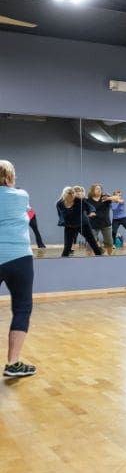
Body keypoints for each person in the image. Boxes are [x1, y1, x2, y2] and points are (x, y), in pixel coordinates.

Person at [0, 160, 37, 377]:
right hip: (19, 258)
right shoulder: (22, 196)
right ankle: (13, 364)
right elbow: (29, 214)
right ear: (10, 177)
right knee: (22, 308)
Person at [56, 186, 102, 257]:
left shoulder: (79, 201)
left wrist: (91, 212)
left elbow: (89, 206)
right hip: (69, 225)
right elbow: (61, 215)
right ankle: (63, 259)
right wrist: (63, 221)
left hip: (83, 224)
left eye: (73, 194)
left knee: (92, 242)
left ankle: (100, 256)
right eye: (69, 195)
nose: (72, 196)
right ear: (64, 195)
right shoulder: (59, 204)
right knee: (67, 246)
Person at [88, 184, 119, 255]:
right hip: (93, 225)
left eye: (100, 189)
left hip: (106, 224)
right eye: (97, 189)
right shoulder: (88, 200)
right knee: (90, 244)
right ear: (93, 190)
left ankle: (109, 257)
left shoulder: (105, 197)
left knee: (109, 243)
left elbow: (117, 199)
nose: (99, 190)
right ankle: (89, 260)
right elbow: (85, 210)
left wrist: (108, 198)